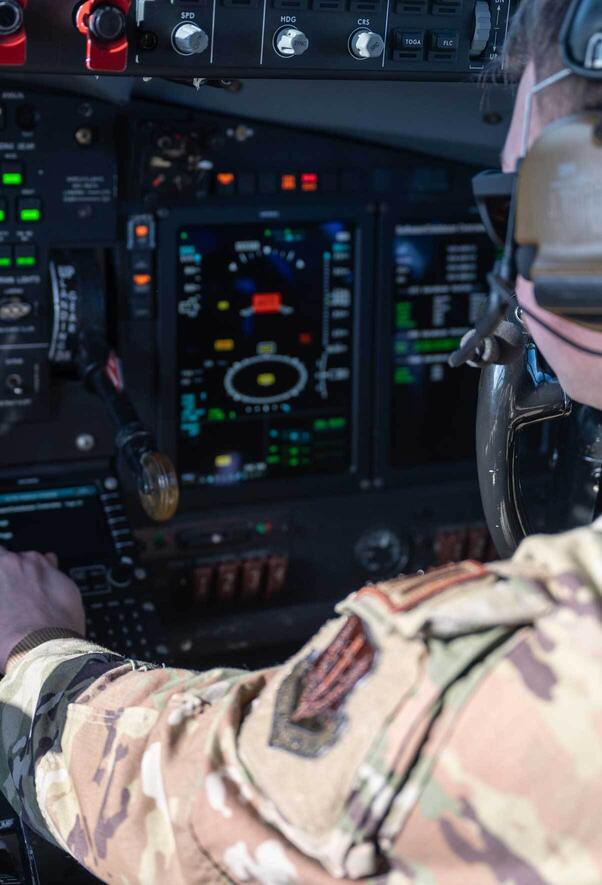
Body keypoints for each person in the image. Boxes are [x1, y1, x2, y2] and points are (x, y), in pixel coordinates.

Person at [1, 2, 602, 882]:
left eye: (520, 207)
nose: (510, 278)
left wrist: (28, 656)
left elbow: (207, 812)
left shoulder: (540, 660)